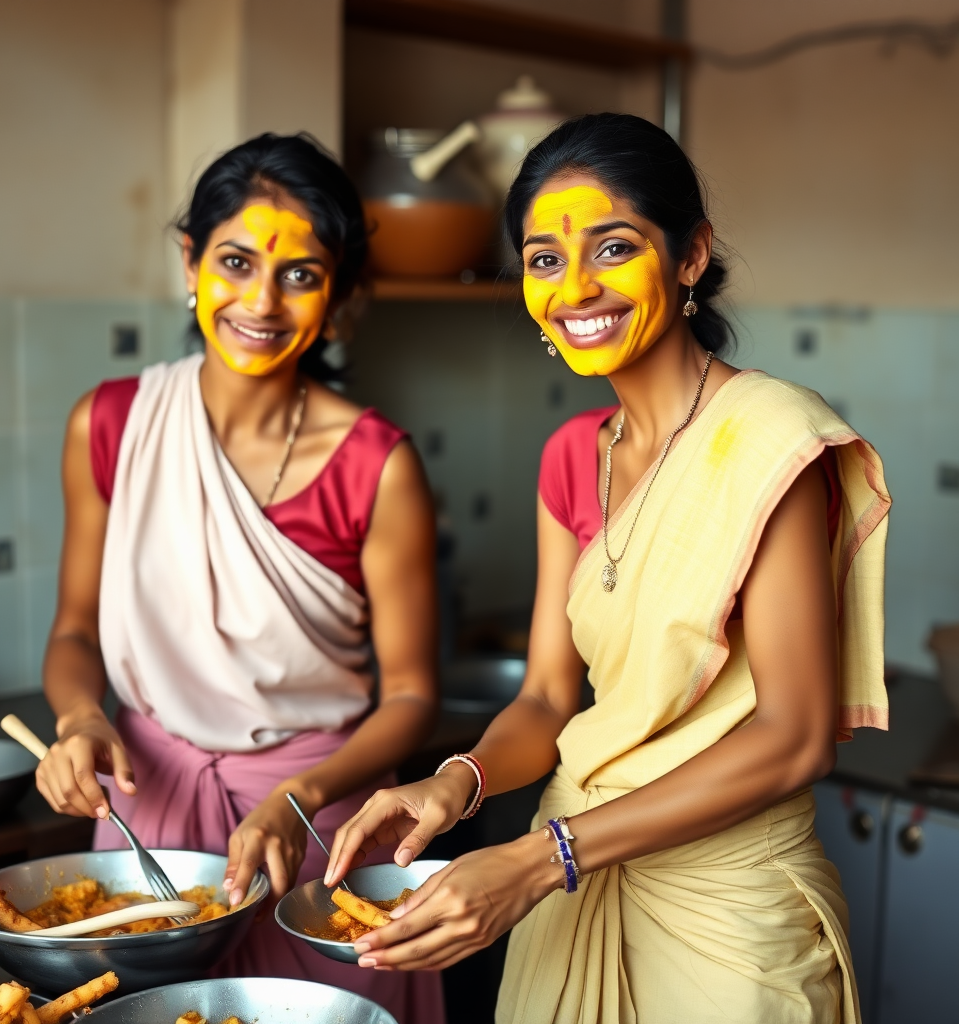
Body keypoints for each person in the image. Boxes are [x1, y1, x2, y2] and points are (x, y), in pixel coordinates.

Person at [325, 113, 891, 1024]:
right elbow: (549, 700)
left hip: (729, 919)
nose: (575, 285)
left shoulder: (771, 441)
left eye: (614, 247)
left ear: (691, 255)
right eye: (545, 259)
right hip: (577, 890)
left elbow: (794, 735)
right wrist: (456, 781)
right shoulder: (568, 457)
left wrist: (542, 857)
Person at [36, 133, 445, 1023]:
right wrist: (78, 720)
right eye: (236, 261)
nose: (262, 300)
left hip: (317, 830)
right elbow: (73, 633)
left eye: (300, 273)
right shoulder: (108, 426)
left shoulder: (377, 465)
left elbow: (412, 697)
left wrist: (297, 805)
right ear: (191, 260)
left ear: (337, 295)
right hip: (149, 823)